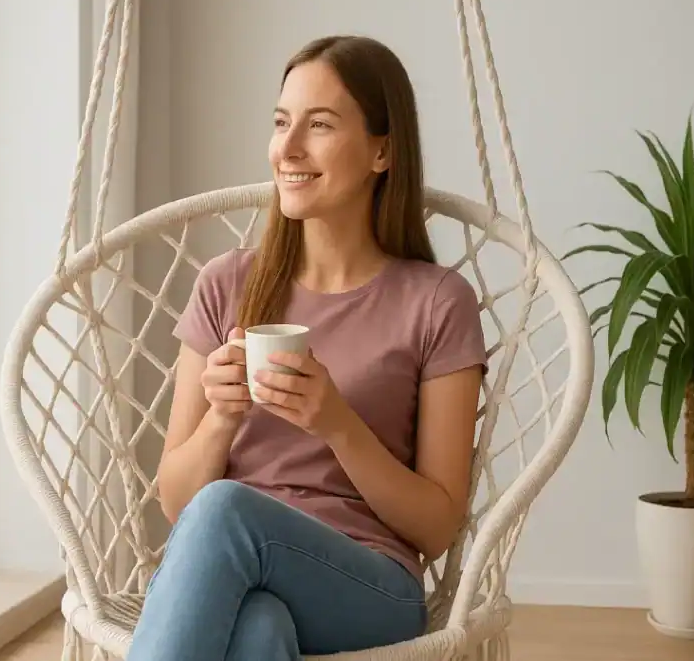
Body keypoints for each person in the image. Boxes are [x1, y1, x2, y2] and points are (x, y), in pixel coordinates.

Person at [126, 34, 487, 660]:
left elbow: (437, 525)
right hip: (231, 573)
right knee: (259, 631)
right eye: (280, 122)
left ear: (383, 150)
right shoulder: (226, 284)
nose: (287, 149)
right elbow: (177, 502)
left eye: (319, 125)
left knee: (224, 513)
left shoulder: (436, 302)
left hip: (369, 585)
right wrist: (221, 419)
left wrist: (338, 425)